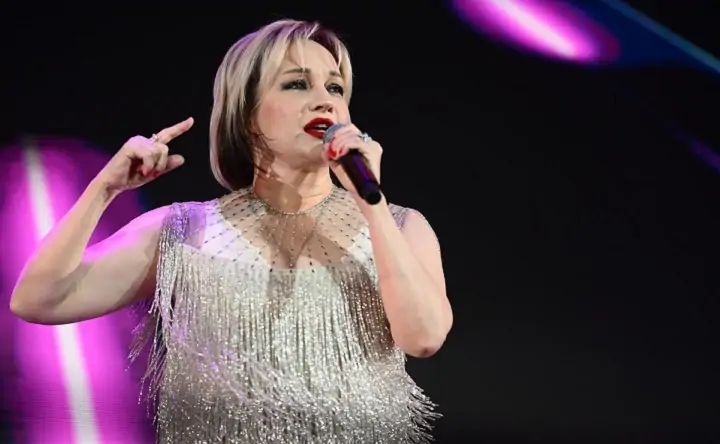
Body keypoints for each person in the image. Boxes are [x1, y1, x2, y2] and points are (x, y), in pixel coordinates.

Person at [10, 19, 453, 443]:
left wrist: (371, 203)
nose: (325, 101)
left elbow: (425, 337)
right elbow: (37, 299)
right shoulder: (186, 232)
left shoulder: (399, 226)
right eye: (297, 84)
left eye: (335, 87)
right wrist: (103, 189)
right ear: (247, 114)